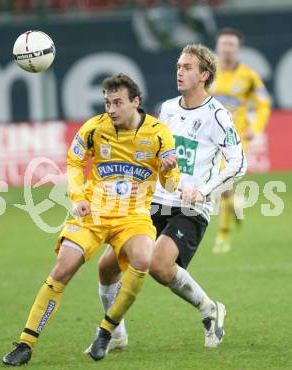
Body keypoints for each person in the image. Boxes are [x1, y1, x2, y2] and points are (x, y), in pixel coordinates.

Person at [2, 73, 180, 365]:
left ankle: (106, 331)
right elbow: (74, 161)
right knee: (62, 269)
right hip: (94, 212)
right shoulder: (94, 128)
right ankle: (25, 343)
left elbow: (172, 186)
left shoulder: (159, 133)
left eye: (118, 102)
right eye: (108, 102)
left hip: (133, 216)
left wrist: (168, 170)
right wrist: (78, 198)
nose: (111, 109)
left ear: (136, 101)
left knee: (143, 259)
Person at [85, 44, 247, 353]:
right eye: (178, 66)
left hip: (191, 207)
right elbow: (154, 152)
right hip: (155, 201)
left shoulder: (218, 116)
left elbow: (239, 163)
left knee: (159, 265)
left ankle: (210, 308)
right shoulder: (169, 108)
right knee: (107, 266)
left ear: (204, 75)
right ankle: (116, 332)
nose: (180, 71)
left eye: (187, 67)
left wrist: (203, 191)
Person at [210, 27, 271, 253]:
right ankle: (235, 208)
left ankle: (223, 236)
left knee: (224, 182)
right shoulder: (208, 73)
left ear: (238, 49)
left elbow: (263, 103)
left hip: (234, 138)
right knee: (222, 186)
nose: (227, 48)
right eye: (224, 44)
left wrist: (255, 127)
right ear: (217, 47)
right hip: (209, 137)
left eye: (231, 45)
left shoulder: (249, 76)